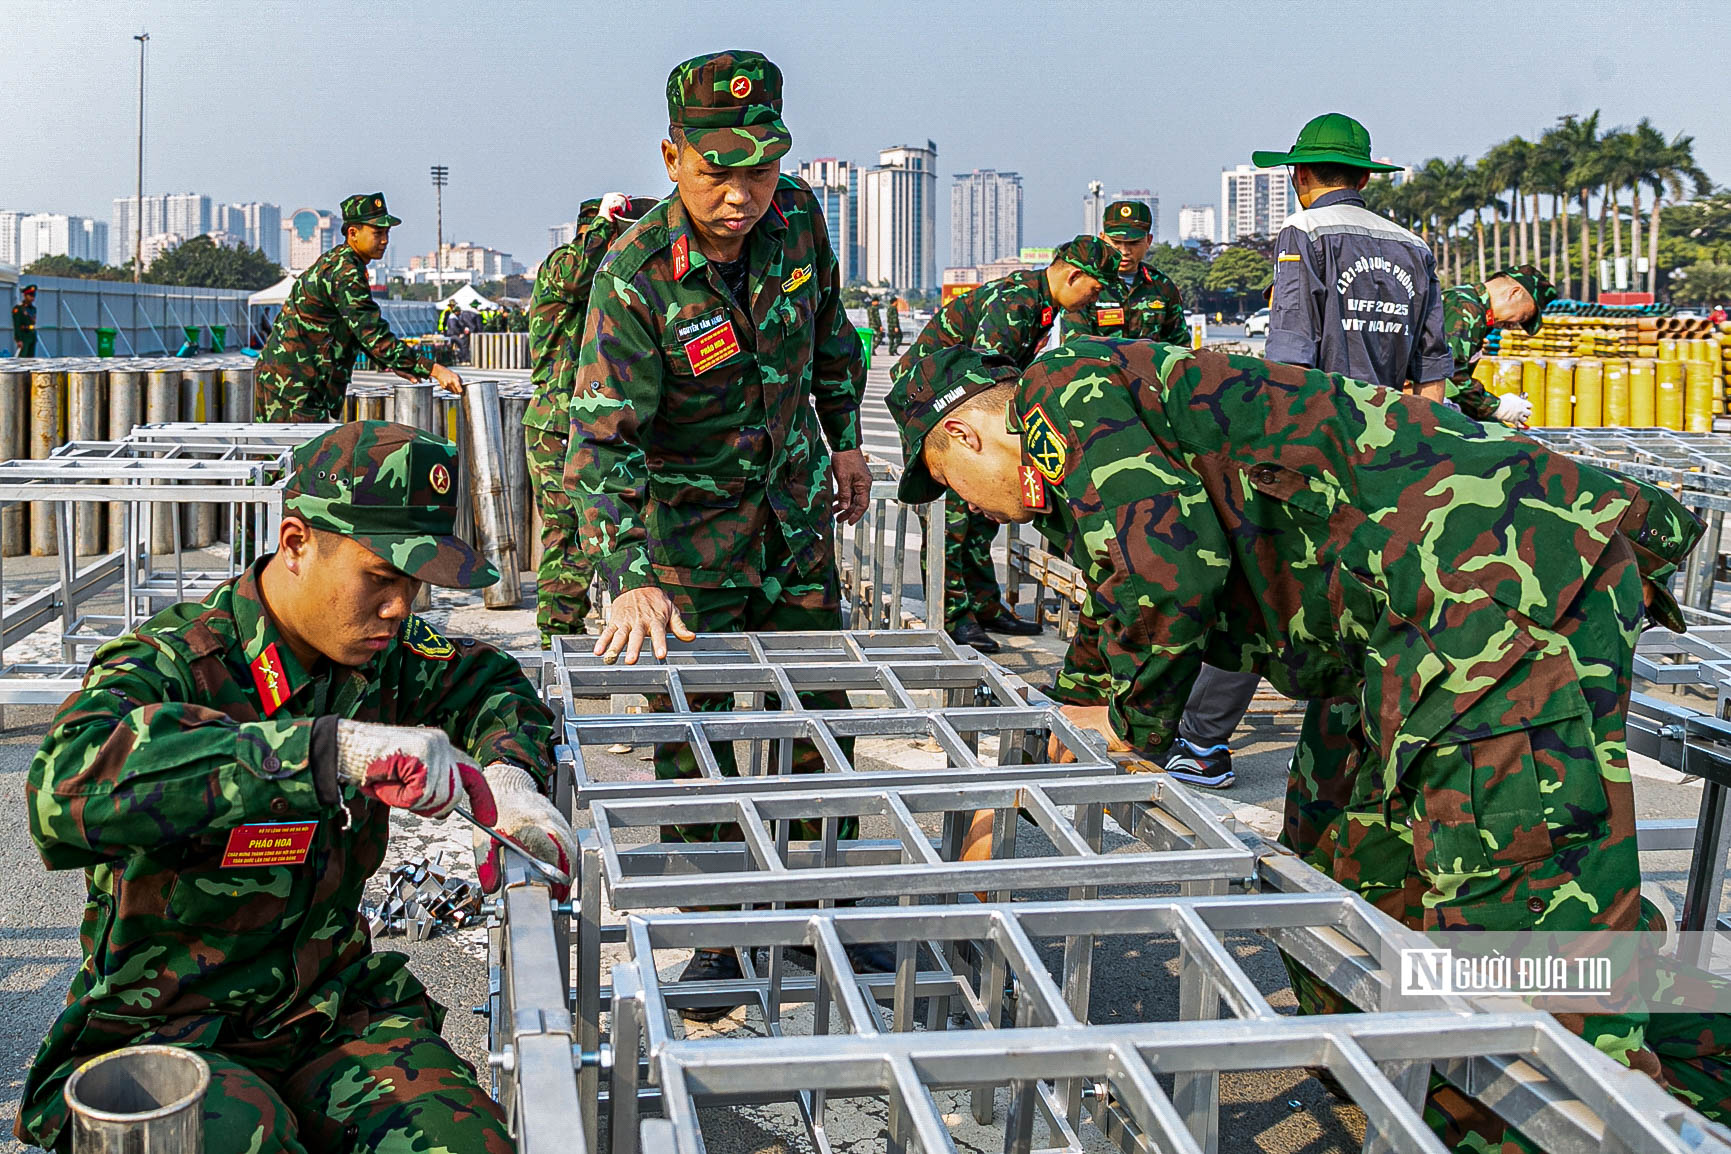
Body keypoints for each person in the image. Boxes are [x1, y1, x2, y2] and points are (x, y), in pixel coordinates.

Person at [889, 338, 1731, 1140]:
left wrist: (1110, 717)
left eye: (953, 485)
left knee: (1519, 906)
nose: (973, 511)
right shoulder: (1107, 413)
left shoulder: (1061, 392)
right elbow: (1143, 569)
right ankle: (1416, 1085)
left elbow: (1165, 568)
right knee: (1344, 866)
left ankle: (1600, 1118)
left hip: (1488, 588)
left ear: (961, 432)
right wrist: (1077, 709)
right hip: (1389, 625)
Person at [15, 420, 580, 1153]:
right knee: (245, 1136)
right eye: (380, 577)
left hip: (328, 1011)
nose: (400, 607)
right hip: (171, 1028)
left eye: (414, 583)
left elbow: (489, 683)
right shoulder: (174, 662)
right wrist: (322, 752)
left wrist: (510, 776)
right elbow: (60, 789)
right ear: (295, 543)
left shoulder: (387, 656)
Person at [563, 49, 870, 1001]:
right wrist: (629, 572)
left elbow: (830, 335)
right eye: (715, 171)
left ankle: (824, 911)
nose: (739, 194)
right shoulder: (637, 274)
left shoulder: (801, 220)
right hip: (687, 543)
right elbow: (599, 440)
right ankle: (721, 930)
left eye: (759, 168)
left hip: (791, 522)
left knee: (820, 716)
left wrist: (847, 438)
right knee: (692, 732)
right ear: (670, 157)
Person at [890, 236, 1116, 653]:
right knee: (952, 521)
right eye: (1095, 288)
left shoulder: (1041, 303)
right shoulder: (1017, 301)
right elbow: (986, 378)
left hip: (965, 408)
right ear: (1074, 274)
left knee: (982, 520)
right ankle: (951, 617)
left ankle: (984, 605)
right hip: (941, 414)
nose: (1094, 298)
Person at [525, 190, 659, 645]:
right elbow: (580, 272)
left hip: (593, 422)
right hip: (560, 424)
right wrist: (605, 225)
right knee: (569, 536)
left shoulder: (622, 283)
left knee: (604, 529)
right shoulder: (565, 267)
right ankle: (556, 639)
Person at [256, 194, 463, 422]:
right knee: (296, 454)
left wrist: (394, 364)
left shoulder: (341, 262)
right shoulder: (346, 272)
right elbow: (371, 333)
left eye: (386, 233)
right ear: (353, 233)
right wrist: (434, 369)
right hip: (294, 385)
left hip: (293, 381)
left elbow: (356, 332)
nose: (384, 240)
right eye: (377, 233)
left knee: (280, 455)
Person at [1445, 263, 1557, 425]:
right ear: (1514, 294)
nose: (1514, 326)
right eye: (1523, 317)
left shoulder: (1471, 307)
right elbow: (1450, 375)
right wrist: (1496, 407)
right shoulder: (1465, 308)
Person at [1064, 201, 1187, 344]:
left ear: (1148, 240)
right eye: (1116, 242)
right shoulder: (1082, 285)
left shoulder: (1162, 287)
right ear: (1102, 239)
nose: (1124, 251)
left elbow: (1180, 347)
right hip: (1097, 366)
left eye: (1133, 243)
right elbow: (1074, 347)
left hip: (1150, 366)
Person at [12, 283, 37, 357]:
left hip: (32, 336)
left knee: (31, 360)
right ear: (25, 295)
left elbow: (33, 322)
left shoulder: (33, 309)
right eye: (30, 296)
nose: (32, 298)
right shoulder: (18, 309)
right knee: (22, 360)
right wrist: (18, 339)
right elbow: (16, 325)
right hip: (24, 337)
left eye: (33, 296)